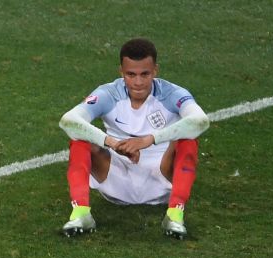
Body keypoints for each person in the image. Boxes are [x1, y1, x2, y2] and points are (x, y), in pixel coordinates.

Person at [58, 38, 211, 239]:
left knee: (188, 139)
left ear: (155, 70)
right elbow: (68, 121)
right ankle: (81, 213)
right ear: (121, 72)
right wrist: (112, 143)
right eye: (131, 74)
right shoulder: (108, 94)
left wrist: (148, 140)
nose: (138, 82)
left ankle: (175, 215)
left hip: (161, 177)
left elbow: (200, 121)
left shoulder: (173, 93)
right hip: (116, 175)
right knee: (79, 139)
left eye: (144, 74)